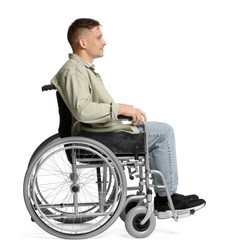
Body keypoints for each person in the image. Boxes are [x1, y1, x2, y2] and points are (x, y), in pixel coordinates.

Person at [51, 18, 206, 219]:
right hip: (97, 138)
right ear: (83, 43)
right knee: (164, 132)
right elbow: (83, 111)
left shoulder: (80, 70)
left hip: (99, 133)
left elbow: (89, 108)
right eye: (99, 37)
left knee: (151, 129)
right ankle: (166, 199)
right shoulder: (74, 71)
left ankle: (162, 197)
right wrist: (119, 108)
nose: (104, 42)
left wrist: (125, 111)